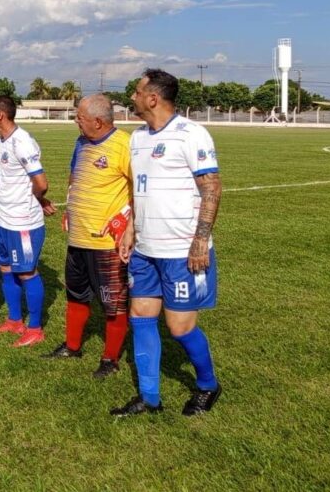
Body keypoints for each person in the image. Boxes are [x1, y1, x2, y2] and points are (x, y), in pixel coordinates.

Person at [112, 69, 222, 417]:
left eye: (136, 91)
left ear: (153, 98)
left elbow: (212, 187)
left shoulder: (191, 134)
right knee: (141, 317)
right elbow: (137, 188)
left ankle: (207, 385)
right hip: (145, 249)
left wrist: (200, 241)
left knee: (179, 327)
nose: (131, 97)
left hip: (180, 251)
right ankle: (149, 399)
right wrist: (130, 228)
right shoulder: (137, 138)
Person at [44, 94, 132, 379]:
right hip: (78, 236)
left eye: (79, 117)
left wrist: (128, 217)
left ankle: (110, 358)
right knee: (76, 293)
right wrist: (71, 207)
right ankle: (72, 346)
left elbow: (144, 187)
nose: (75, 121)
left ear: (97, 121)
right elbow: (74, 176)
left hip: (106, 242)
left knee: (113, 302)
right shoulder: (81, 143)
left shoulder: (125, 145)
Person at [0, 96, 56, 347]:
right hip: (4, 220)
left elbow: (41, 182)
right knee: (6, 268)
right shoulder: (2, 141)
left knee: (26, 271)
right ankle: (15, 321)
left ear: (0, 115)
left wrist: (38, 199)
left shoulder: (22, 142)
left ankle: (35, 327)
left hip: (23, 222)